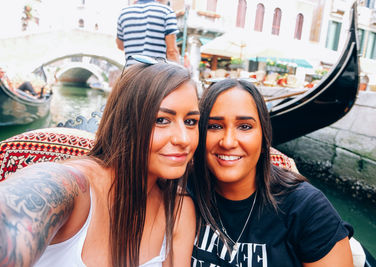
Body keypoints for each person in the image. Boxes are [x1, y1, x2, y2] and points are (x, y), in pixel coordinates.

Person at [0, 59, 199, 266]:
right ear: (126, 123)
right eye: (161, 120)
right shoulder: (73, 187)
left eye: (191, 122)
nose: (183, 139)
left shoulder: (179, 209)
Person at [189, 79, 354, 266]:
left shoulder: (306, 208)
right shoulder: (182, 192)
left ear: (264, 137)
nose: (228, 142)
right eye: (215, 126)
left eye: (244, 126)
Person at [116, 0, 180, 65]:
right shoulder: (166, 11)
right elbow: (172, 52)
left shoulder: (123, 13)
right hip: (155, 72)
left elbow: (120, 46)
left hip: (131, 72)